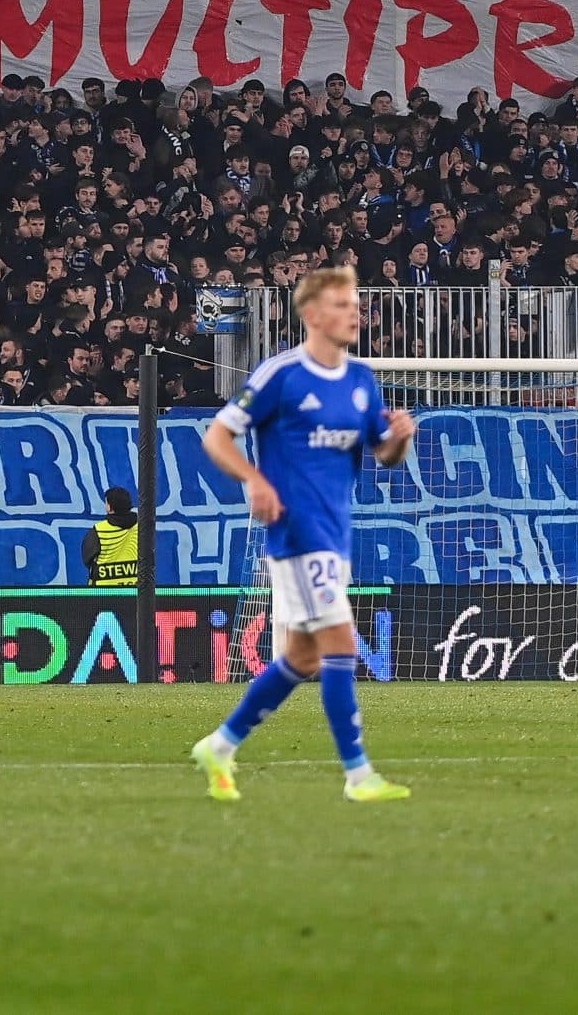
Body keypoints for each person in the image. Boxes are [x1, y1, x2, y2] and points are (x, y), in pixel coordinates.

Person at [190, 266, 417, 804]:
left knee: (304, 658)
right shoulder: (282, 375)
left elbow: (382, 455)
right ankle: (359, 775)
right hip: (295, 533)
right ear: (312, 314)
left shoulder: (361, 379)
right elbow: (218, 436)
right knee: (341, 642)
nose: (354, 312)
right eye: (342, 304)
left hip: (336, 533)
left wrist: (400, 438)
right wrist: (253, 480)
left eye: (356, 303)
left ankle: (220, 745)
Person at [83, 486, 140, 586]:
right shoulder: (141, 528)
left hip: (103, 593)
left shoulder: (98, 530)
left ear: (109, 507)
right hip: (136, 591)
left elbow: (87, 559)